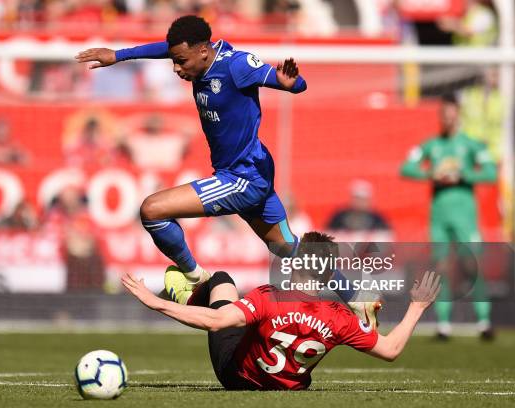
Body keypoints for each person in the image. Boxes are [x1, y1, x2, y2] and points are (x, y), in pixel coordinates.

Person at [75, 15, 376, 322]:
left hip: (243, 177)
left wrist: (291, 84)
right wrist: (118, 56)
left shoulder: (237, 66)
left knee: (152, 210)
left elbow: (289, 81)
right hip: (249, 172)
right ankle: (357, 298)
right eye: (174, 61)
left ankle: (194, 277)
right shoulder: (196, 57)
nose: (176, 68)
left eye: (180, 61)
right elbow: (165, 48)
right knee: (287, 248)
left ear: (203, 51)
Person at [121, 231, 441, 391]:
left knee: (220, 280)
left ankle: (186, 294)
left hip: (235, 375)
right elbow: (391, 349)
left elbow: (216, 322)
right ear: (329, 274)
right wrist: (416, 306)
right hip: (287, 384)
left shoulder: (269, 296)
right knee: (248, 315)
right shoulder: (341, 317)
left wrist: (157, 302)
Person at [400, 94, 497, 341]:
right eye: (444, 115)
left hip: (465, 216)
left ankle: (484, 321)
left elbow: (490, 173)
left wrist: (463, 176)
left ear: (458, 116)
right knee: (441, 267)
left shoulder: (473, 145)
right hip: (439, 218)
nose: (447, 119)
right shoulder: (431, 146)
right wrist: (432, 173)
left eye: (451, 114)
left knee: (471, 265)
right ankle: (443, 325)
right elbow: (406, 168)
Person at [326, 179, 392, 242]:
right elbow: (328, 235)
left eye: (362, 199)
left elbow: (386, 237)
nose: (359, 202)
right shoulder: (340, 216)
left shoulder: (377, 218)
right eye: (357, 198)